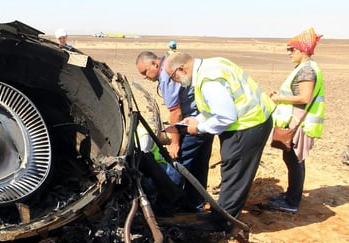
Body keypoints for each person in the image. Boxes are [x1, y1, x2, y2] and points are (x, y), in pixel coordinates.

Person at [165, 52, 276, 232]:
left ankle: (223, 223)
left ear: (181, 69)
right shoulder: (213, 65)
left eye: (173, 77)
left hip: (247, 125)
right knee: (232, 171)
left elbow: (225, 116)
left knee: (235, 172)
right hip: (250, 121)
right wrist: (197, 120)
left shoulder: (208, 81)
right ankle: (221, 215)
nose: (175, 82)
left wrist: (198, 129)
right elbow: (217, 108)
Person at [135, 51, 213, 212]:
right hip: (206, 120)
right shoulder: (171, 68)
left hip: (191, 123)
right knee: (199, 165)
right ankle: (194, 205)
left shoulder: (166, 75)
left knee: (177, 164)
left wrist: (175, 143)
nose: (145, 77)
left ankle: (165, 207)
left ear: (155, 64)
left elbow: (175, 112)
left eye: (145, 72)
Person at [268, 28, 325, 213]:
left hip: (300, 123)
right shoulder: (304, 68)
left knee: (295, 161)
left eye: (292, 49)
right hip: (296, 120)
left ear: (303, 50)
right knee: (291, 158)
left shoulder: (307, 70)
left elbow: (304, 97)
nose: (289, 53)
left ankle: (292, 202)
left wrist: (280, 99)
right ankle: (290, 195)